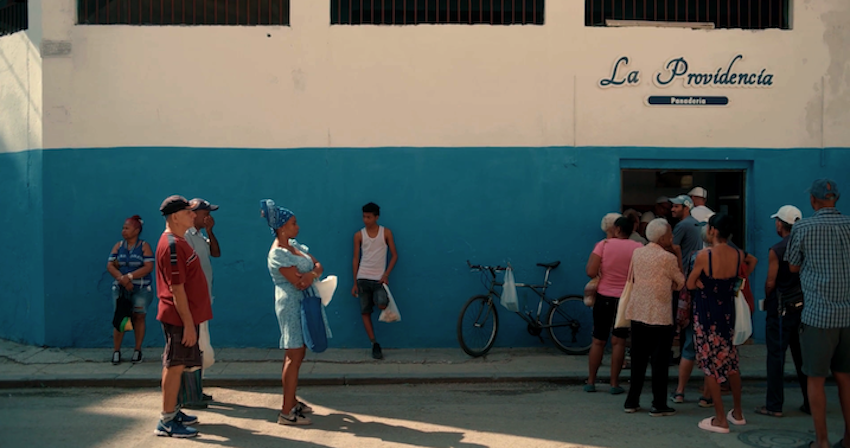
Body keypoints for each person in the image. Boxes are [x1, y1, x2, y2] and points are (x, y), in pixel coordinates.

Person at [786, 179, 850, 448]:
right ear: (836, 199)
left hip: (818, 316)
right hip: (848, 315)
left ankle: (821, 441)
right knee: (845, 377)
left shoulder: (803, 227)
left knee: (815, 378)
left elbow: (793, 266)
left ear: (813, 201)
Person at [154, 196, 212, 438]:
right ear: (175, 217)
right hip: (178, 318)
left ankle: (174, 410)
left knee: (179, 365)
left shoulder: (179, 241)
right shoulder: (173, 245)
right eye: (188, 212)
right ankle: (167, 421)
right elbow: (177, 289)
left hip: (185, 316)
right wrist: (188, 325)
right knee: (174, 365)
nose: (193, 215)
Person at [262, 199, 324, 426]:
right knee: (293, 354)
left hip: (303, 303)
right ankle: (286, 412)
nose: (297, 227)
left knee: (299, 353)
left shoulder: (294, 246)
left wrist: (312, 274)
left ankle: (292, 400)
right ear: (282, 228)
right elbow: (299, 282)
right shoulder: (278, 254)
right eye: (293, 223)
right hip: (291, 305)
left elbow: (318, 265)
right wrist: (311, 275)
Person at [688, 214, 746, 434]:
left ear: (712, 230)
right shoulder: (738, 254)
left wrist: (699, 281)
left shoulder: (704, 256)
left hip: (707, 315)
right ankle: (737, 413)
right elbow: (748, 265)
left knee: (710, 365)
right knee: (731, 362)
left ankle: (720, 419)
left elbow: (690, 283)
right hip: (727, 315)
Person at [623, 218, 685, 415]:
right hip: (660, 314)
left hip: (638, 311)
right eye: (669, 234)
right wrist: (678, 255)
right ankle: (658, 403)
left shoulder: (637, 253)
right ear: (662, 238)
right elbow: (680, 281)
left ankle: (632, 401)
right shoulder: (668, 258)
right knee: (659, 362)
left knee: (638, 360)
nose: (672, 237)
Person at [756, 205, 809, 418]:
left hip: (780, 309)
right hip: (803, 308)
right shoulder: (807, 247)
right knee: (802, 357)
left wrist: (768, 297)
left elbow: (770, 282)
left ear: (780, 224)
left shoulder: (777, 250)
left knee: (776, 357)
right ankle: (810, 402)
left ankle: (774, 405)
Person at [585, 217, 643, 394]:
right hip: (625, 299)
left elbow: (591, 271)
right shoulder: (638, 247)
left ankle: (591, 381)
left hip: (604, 297)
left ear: (616, 229)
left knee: (598, 340)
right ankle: (614, 384)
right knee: (619, 342)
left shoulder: (603, 245)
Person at [183, 198, 221, 408]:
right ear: (193, 214)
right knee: (193, 347)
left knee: (201, 347)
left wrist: (210, 232)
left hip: (204, 299)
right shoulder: (185, 236)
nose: (208, 216)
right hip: (192, 301)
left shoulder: (199, 235)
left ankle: (197, 389)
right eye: (205, 213)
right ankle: (189, 394)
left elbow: (215, 252)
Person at [351, 202, 398, 360]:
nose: (366, 220)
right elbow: (355, 259)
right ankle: (374, 343)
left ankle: (384, 306)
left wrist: (386, 274)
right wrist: (355, 282)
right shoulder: (359, 235)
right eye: (364, 217)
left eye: (369, 217)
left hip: (379, 280)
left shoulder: (386, 233)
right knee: (365, 312)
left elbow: (395, 255)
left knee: (382, 303)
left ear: (376, 217)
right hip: (363, 278)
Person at [106, 215, 155, 365]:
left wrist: (130, 276)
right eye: (123, 228)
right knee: (120, 317)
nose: (124, 231)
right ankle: (116, 351)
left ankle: (137, 350)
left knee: (139, 317)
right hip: (121, 289)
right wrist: (122, 279)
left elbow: (148, 267)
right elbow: (110, 265)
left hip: (141, 289)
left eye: (127, 228)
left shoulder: (144, 246)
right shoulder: (118, 246)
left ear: (136, 230)